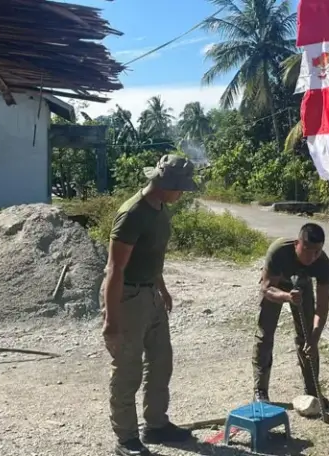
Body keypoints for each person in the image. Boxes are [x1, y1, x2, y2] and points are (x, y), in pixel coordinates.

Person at [101, 155, 198, 456]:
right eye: (180, 188)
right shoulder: (132, 214)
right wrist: (111, 322)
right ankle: (126, 439)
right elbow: (115, 269)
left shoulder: (160, 209)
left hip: (151, 294)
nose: (182, 194)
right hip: (128, 297)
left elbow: (151, 257)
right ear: (165, 185)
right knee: (127, 369)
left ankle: (155, 424)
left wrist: (162, 289)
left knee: (160, 362)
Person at [253, 223, 329, 404]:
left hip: (302, 285)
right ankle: (260, 391)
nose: (312, 257)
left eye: (317, 251)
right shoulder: (279, 251)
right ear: (297, 243)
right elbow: (266, 289)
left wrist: (314, 338)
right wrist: (287, 297)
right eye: (307, 250)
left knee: (308, 337)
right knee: (265, 335)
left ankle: (312, 391)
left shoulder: (323, 265)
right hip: (275, 286)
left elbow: (322, 309)